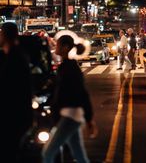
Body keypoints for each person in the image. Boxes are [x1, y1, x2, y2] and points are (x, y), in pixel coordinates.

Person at [42, 34, 97, 163]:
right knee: (79, 155)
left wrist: (89, 120)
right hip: (71, 115)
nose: (56, 47)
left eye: (59, 44)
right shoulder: (65, 67)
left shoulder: (70, 68)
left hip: (69, 116)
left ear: (66, 47)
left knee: (48, 153)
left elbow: (82, 93)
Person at [0, 22, 33, 163]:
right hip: (16, 115)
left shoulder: (15, 58)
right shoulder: (15, 56)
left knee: (9, 153)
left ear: (5, 35)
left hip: (13, 116)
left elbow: (11, 89)